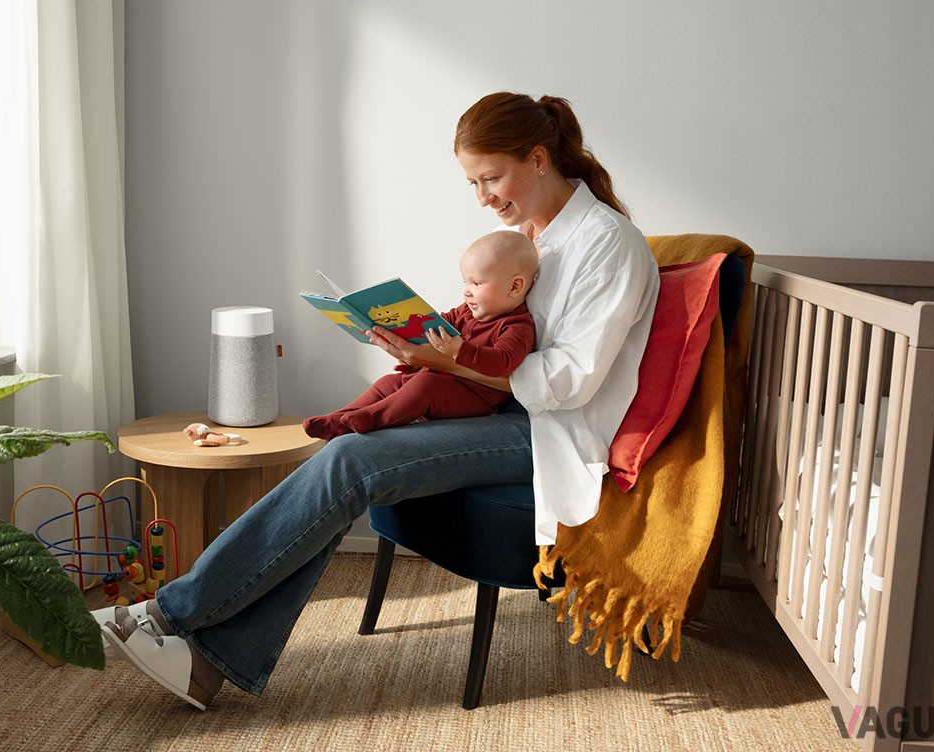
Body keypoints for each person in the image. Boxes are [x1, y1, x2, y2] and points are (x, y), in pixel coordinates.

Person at [94, 92, 660, 710]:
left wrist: (451, 361)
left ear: (539, 157)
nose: (483, 198)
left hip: (545, 430)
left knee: (349, 462)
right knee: (352, 452)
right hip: (490, 409)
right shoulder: (528, 239)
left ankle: (170, 615)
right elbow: (490, 335)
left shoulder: (609, 243)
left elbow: (571, 382)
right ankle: (205, 666)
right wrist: (423, 343)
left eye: (492, 178)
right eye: (472, 183)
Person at [302, 230, 539, 441]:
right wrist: (403, 330)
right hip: (441, 379)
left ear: (515, 287)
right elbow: (440, 324)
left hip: (476, 396)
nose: (467, 291)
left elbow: (502, 362)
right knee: (389, 382)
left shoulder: (517, 325)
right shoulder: (467, 311)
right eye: (465, 282)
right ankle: (338, 419)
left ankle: (370, 418)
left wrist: (459, 350)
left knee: (426, 384)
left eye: (476, 283)